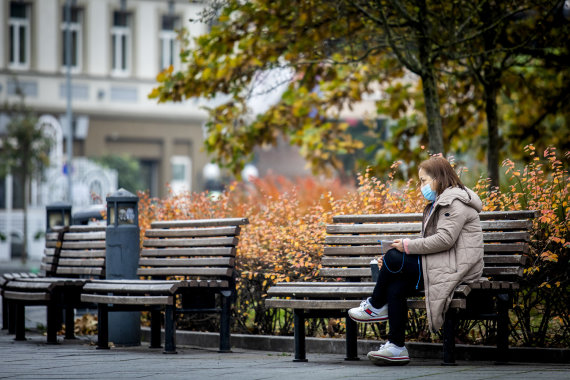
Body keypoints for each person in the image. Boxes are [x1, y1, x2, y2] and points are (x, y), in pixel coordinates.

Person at [348, 156, 484, 365]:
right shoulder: (440, 201)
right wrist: (405, 248)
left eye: (423, 180)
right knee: (395, 284)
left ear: (438, 178)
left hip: (457, 266)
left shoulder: (454, 202)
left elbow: (445, 240)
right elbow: (435, 241)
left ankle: (375, 305)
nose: (421, 186)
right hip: (444, 261)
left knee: (394, 257)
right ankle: (396, 347)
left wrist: (407, 246)